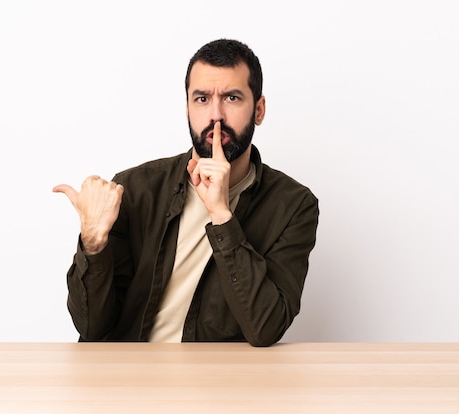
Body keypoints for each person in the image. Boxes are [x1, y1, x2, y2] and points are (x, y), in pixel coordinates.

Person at [53, 39, 319, 347]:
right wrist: (93, 246)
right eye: (202, 99)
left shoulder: (294, 206)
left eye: (232, 98)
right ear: (188, 108)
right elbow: (92, 328)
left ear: (258, 110)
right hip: (127, 379)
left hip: (212, 384)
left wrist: (222, 216)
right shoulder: (136, 188)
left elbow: (266, 328)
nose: (215, 115)